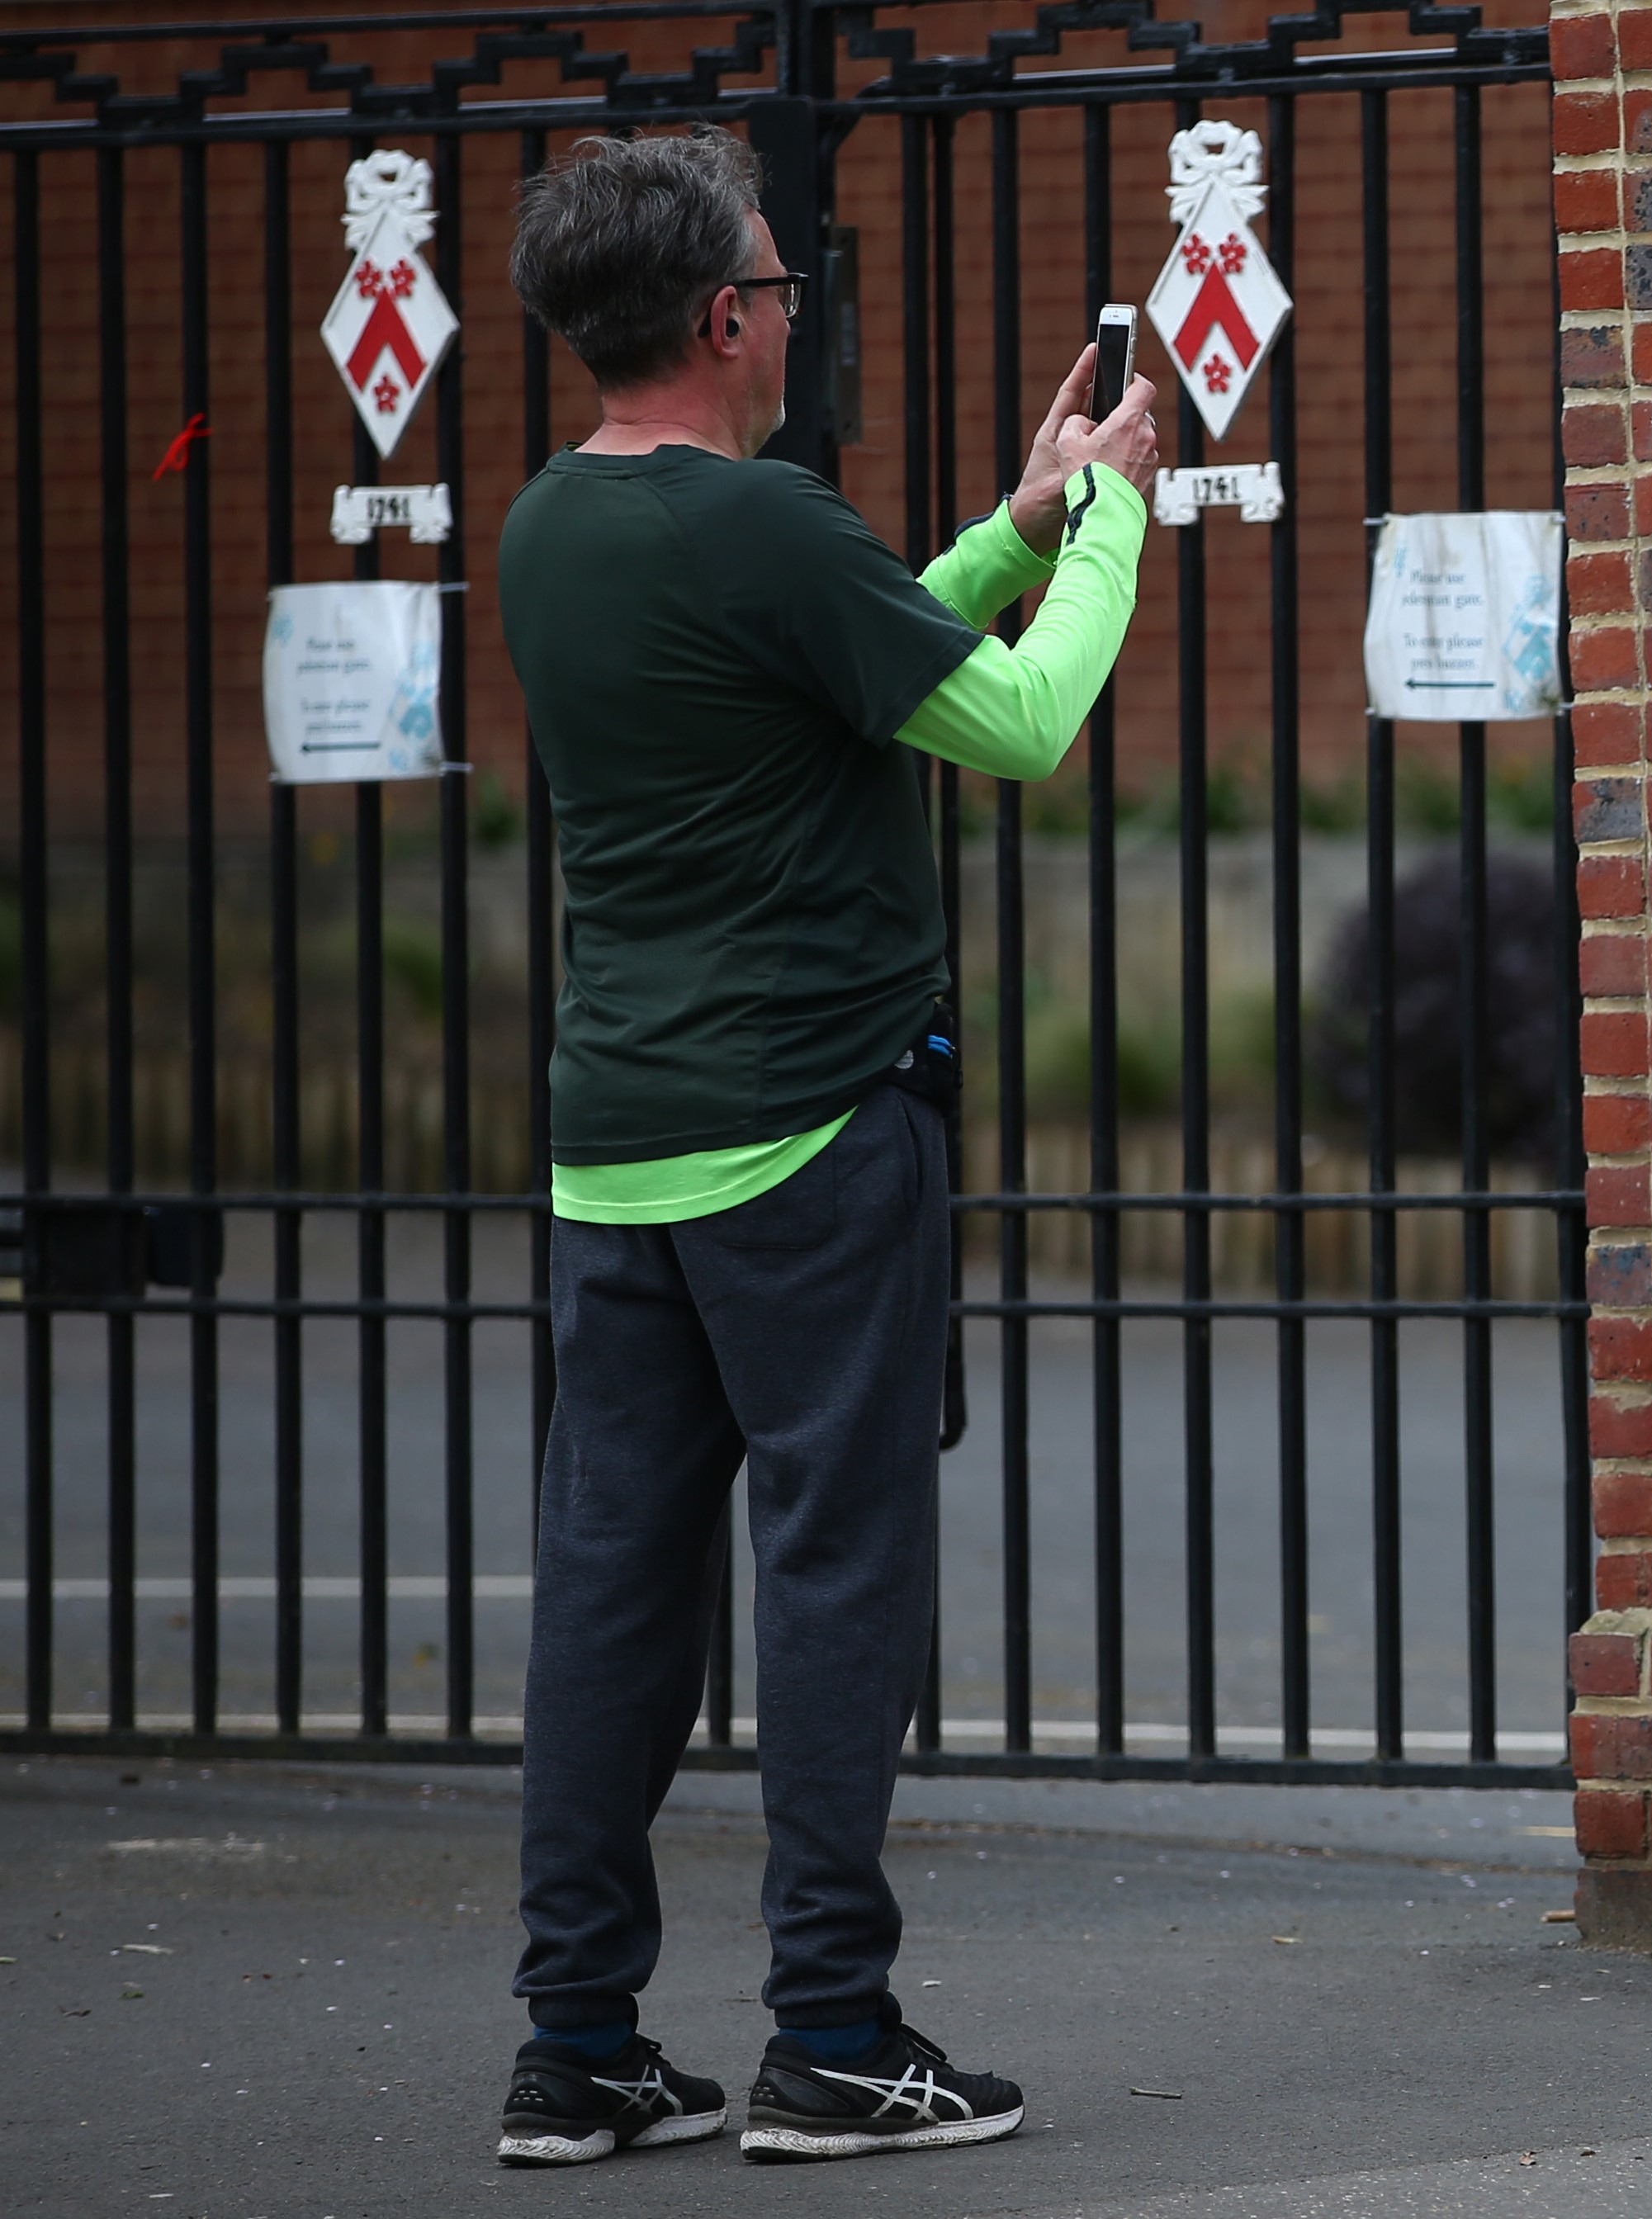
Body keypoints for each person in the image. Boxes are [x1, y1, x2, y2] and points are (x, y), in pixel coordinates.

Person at [486, 127, 1155, 2167]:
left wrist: (1008, 521)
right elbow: (1021, 721)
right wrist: (1114, 520)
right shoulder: (758, 522)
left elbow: (837, 679)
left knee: (612, 1590)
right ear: (720, 318)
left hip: (618, 1152)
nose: (791, 312)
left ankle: (577, 2047)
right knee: (837, 1568)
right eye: (775, 287)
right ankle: (836, 2038)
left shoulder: (549, 531)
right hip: (804, 1137)